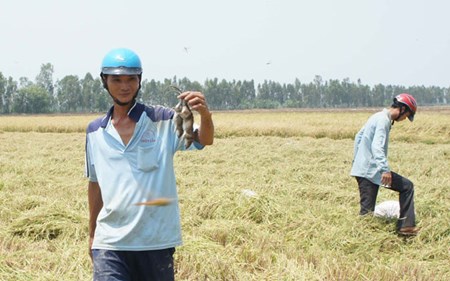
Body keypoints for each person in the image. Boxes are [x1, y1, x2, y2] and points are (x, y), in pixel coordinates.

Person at [85, 48, 214, 280]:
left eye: (131, 79)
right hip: (110, 242)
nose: (124, 86)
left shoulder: (163, 120)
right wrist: (92, 233)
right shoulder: (95, 131)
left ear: (139, 81)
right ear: (105, 81)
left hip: (156, 241)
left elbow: (204, 140)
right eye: (116, 79)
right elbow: (95, 184)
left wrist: (205, 115)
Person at [350, 93, 419, 236]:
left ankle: (405, 227)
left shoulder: (376, 116)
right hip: (372, 171)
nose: (405, 119)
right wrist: (384, 169)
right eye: (407, 115)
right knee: (368, 213)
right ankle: (405, 227)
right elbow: (377, 147)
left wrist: (357, 162)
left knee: (405, 187)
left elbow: (359, 137)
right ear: (402, 109)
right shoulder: (384, 121)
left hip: (365, 169)